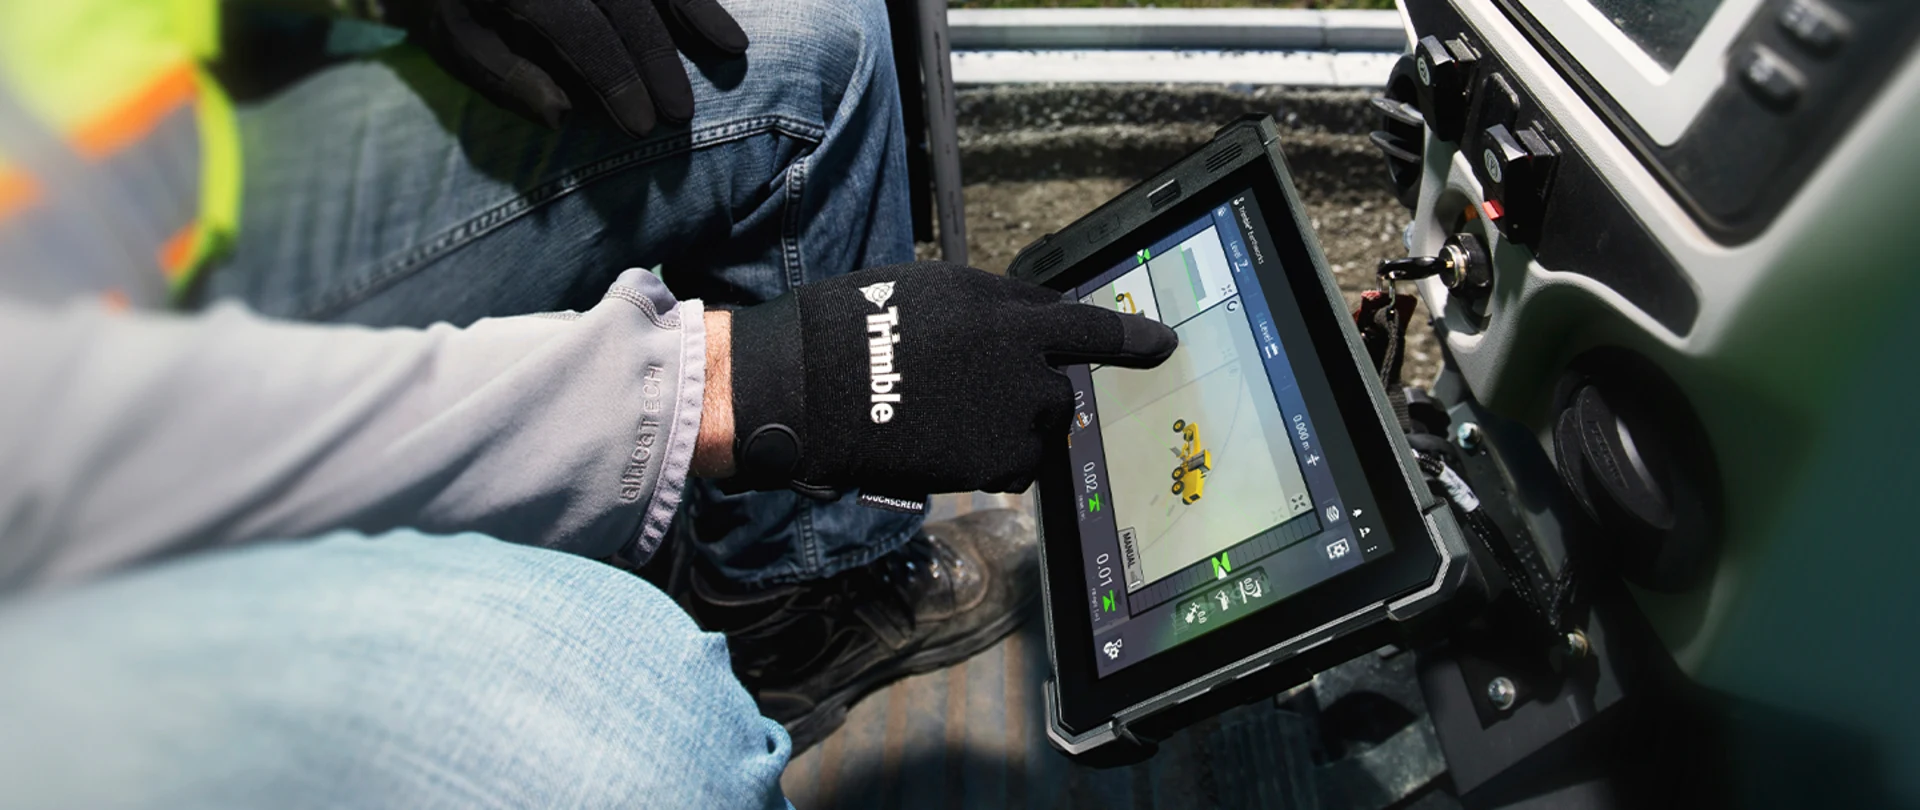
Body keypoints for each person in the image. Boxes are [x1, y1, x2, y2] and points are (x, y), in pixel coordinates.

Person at [0, 0, 1176, 806]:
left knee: (809, 41)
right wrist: (740, 382)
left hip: (137, 215)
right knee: (635, 740)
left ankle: (795, 605)